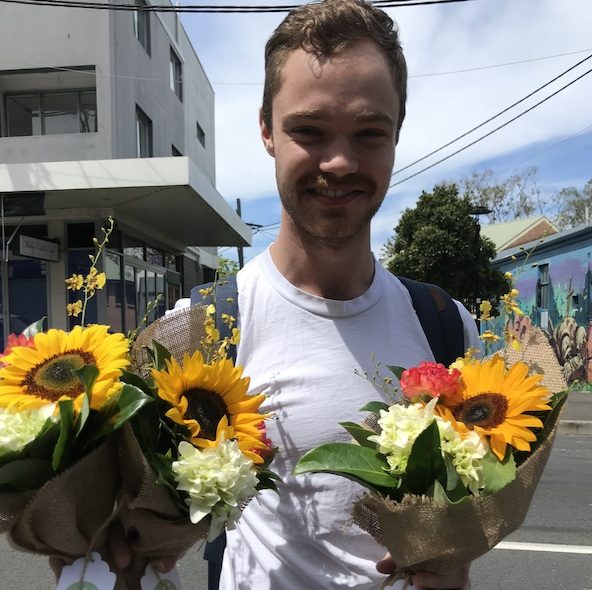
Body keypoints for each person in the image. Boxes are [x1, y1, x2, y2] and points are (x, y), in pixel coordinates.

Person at [216, 1, 480, 589]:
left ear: (396, 137)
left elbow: (470, 515)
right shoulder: (208, 329)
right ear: (265, 129)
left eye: (368, 133)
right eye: (309, 130)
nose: (339, 161)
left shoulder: (448, 327)